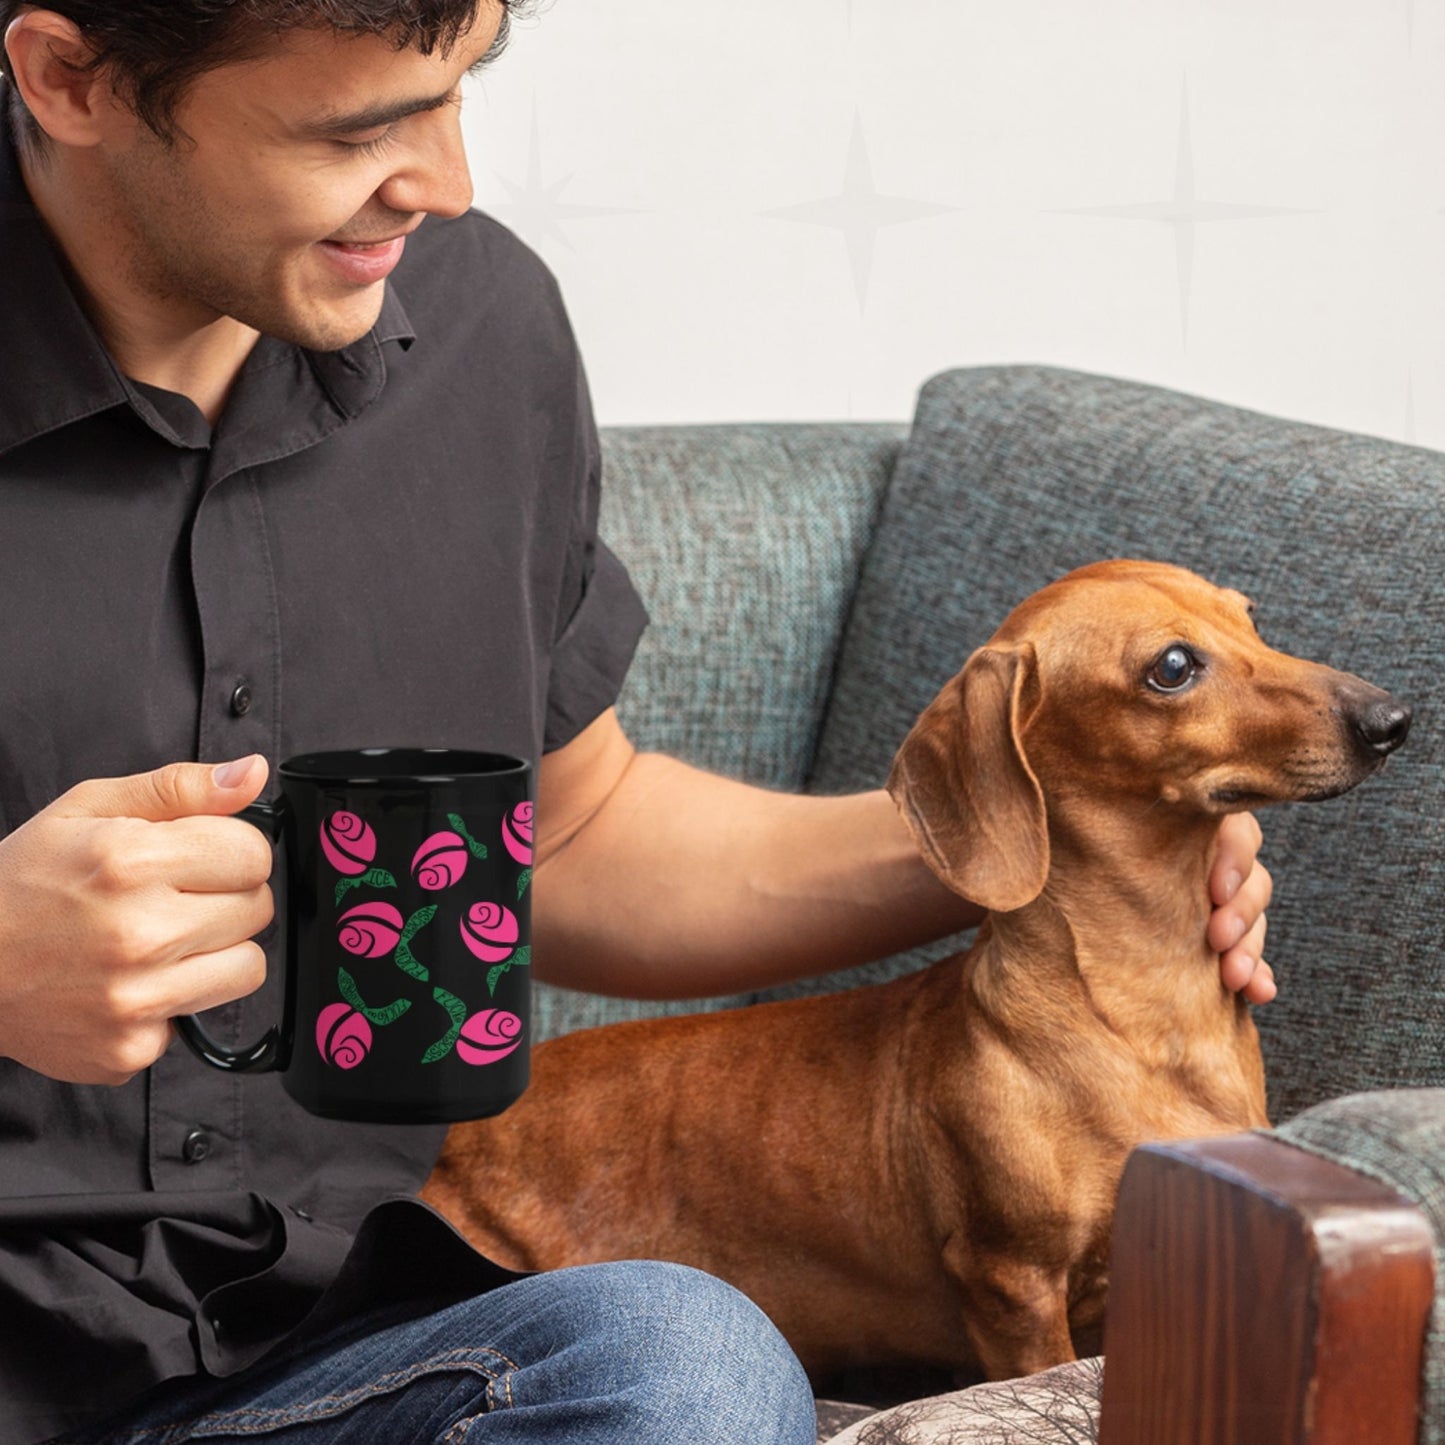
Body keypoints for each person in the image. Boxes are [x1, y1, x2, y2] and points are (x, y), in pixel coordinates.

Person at [0, 1, 1275, 1440]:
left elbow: (576, 834)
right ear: (71, 78)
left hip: (342, 1344)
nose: (447, 181)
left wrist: (1045, 824)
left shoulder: (478, 327)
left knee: (683, 1354)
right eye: (352, 129)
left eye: (458, 90)